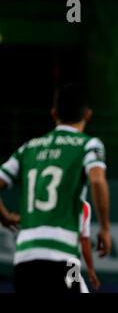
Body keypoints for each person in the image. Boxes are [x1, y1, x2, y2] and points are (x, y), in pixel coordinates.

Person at [0, 83, 111, 293]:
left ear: (53, 114)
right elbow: (97, 181)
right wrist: (105, 229)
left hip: (24, 258)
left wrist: (4, 216)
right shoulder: (88, 144)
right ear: (87, 114)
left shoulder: (28, 148)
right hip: (61, 256)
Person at [79, 201, 100, 293]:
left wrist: (90, 270)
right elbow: (84, 240)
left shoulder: (84, 206)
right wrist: (90, 270)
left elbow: (84, 240)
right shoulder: (83, 206)